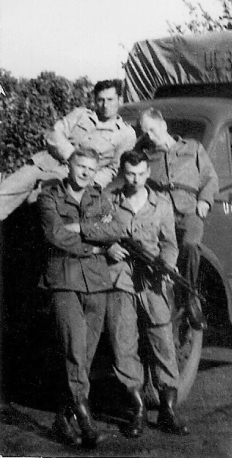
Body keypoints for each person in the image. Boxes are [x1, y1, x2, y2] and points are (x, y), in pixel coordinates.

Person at [37, 147, 123, 448]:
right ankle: (85, 421)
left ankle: (63, 418)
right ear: (68, 166)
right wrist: (93, 245)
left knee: (85, 355)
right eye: (80, 167)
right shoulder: (49, 196)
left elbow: (115, 228)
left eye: (91, 168)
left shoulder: (100, 196)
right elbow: (54, 235)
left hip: (97, 283)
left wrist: (82, 227)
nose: (85, 173)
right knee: (74, 349)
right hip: (64, 280)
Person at [105, 149, 189, 437]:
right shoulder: (110, 201)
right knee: (123, 343)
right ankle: (137, 410)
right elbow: (96, 231)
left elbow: (170, 243)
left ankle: (167, 412)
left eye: (141, 173)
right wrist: (108, 247)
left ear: (149, 172)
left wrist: (165, 265)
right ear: (122, 171)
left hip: (153, 282)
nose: (136, 179)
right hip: (120, 281)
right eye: (130, 173)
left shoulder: (161, 204)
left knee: (163, 343)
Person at [0, 79, 137, 220]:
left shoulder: (126, 134)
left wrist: (89, 184)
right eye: (100, 100)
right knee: (5, 192)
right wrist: (72, 156)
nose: (105, 105)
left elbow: (113, 169)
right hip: (45, 163)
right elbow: (54, 134)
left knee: (38, 204)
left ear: (119, 100)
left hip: (70, 178)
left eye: (110, 99)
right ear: (95, 100)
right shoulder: (81, 114)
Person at [137, 107, 219, 330]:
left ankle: (190, 298)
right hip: (161, 215)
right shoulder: (146, 156)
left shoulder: (192, 148)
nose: (150, 137)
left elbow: (210, 179)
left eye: (152, 130)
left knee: (191, 245)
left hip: (189, 210)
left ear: (163, 125)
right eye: (146, 133)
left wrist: (205, 200)